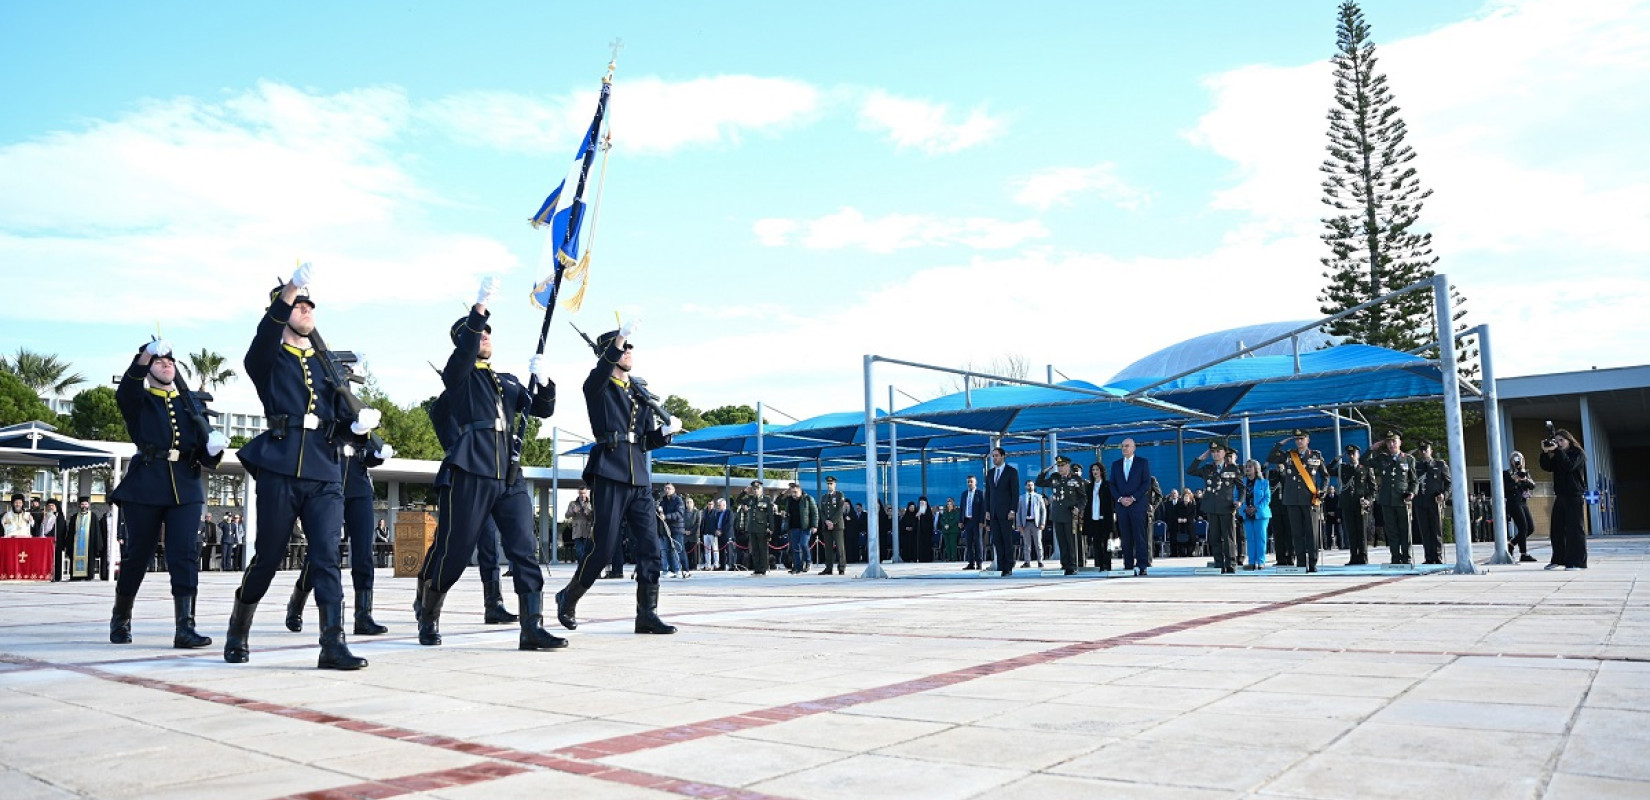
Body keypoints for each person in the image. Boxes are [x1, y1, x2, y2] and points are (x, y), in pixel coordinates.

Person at [225, 268, 376, 669]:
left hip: (324, 469)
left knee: (327, 557)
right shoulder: (269, 358)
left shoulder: (327, 367)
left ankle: (333, 643)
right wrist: (289, 290)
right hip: (280, 466)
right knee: (268, 557)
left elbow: (338, 420)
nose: (306, 309)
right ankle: (238, 628)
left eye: (310, 305)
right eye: (298, 305)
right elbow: (263, 337)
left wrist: (357, 428)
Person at [415, 277, 562, 651]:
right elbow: (463, 354)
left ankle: (532, 627)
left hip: (508, 474)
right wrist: (479, 308)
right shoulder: (459, 377)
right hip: (472, 470)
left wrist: (545, 381)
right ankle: (428, 614)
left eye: (487, 333)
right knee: (454, 552)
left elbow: (541, 409)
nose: (484, 337)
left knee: (524, 550)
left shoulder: (507, 381)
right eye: (477, 333)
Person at [554, 323, 683, 635]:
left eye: (629, 347)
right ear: (608, 353)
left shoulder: (639, 393)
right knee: (603, 547)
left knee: (651, 547)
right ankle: (569, 597)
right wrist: (619, 338)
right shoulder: (598, 386)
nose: (628, 351)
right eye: (623, 347)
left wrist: (665, 433)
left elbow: (645, 440)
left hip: (638, 477)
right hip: (609, 472)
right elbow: (601, 371)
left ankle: (647, 614)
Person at [108, 336, 227, 649]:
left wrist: (213, 450)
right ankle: (121, 617)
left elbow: (203, 454)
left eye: (170, 361)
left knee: (185, 554)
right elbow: (127, 388)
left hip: (185, 485)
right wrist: (144, 356)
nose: (166, 365)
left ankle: (185, 627)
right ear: (149, 369)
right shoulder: (139, 400)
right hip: (146, 484)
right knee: (138, 555)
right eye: (159, 361)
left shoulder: (190, 405)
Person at [286, 425, 394, 636]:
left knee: (364, 554)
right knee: (322, 553)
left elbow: (366, 456)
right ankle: (296, 604)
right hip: (328, 488)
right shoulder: (326, 418)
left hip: (359, 489)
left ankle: (363, 616)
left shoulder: (359, 422)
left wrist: (378, 455)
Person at [1267, 430, 1328, 572]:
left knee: (1312, 533)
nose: (1299, 441)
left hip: (1309, 499)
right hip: (1292, 500)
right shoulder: (1289, 455)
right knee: (1297, 533)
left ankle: (1312, 563)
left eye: (1302, 438)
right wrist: (1280, 444)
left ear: (1308, 440)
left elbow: (1325, 476)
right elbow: (1271, 457)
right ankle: (1300, 563)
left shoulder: (1315, 456)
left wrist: (1323, 490)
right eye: (1297, 439)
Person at [1187, 441, 1243, 573]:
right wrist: (1201, 458)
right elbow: (1190, 471)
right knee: (1215, 537)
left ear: (1224, 453)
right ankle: (1219, 563)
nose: (1215, 454)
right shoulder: (1207, 468)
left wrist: (1239, 501)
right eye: (1213, 452)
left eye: (1218, 451)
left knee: (1228, 537)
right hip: (1211, 507)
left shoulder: (1233, 468)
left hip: (1226, 507)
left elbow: (1242, 488)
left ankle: (1231, 563)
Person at [1540, 428, 1588, 570]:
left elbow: (1569, 466)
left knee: (1575, 530)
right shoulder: (1558, 455)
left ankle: (1577, 562)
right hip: (1560, 496)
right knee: (1557, 529)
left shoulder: (1578, 453)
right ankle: (1558, 559)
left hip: (1574, 495)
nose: (1559, 443)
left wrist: (1557, 451)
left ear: (1569, 441)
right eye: (1556, 441)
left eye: (1561, 440)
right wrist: (1544, 452)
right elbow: (1547, 467)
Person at [1368, 431, 1417, 565]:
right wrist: (1372, 449)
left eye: (1394, 441)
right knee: (1391, 531)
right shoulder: (1382, 458)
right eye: (1389, 442)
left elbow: (1414, 481)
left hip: (1402, 499)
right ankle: (1395, 557)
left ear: (1400, 443)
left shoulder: (1408, 459)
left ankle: (1406, 557)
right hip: (1387, 500)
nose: (1391, 444)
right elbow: (1363, 462)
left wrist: (1412, 493)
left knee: (1405, 530)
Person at [1108, 438, 1152, 576]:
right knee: (1125, 537)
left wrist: (1133, 498)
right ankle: (1127, 564)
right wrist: (1120, 499)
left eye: (1127, 446)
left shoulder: (1142, 463)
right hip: (1122, 506)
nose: (1124, 448)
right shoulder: (1116, 465)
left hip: (1137, 505)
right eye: (1122, 446)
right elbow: (1112, 484)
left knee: (1140, 536)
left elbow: (1146, 483)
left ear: (1134, 447)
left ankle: (1142, 565)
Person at [1036, 458, 1085, 575]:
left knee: (1070, 541)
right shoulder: (1055, 477)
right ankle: (1065, 564)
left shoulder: (1076, 479)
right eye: (1058, 466)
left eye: (1062, 465)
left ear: (1068, 466)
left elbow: (1083, 497)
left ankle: (1072, 565)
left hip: (1070, 514)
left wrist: (1078, 508)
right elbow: (1039, 483)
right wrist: (1044, 472)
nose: (1060, 468)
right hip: (1057, 514)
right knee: (1061, 541)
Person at [1330, 444, 1377, 566]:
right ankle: (1353, 557)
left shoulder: (1366, 468)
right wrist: (1336, 459)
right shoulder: (1343, 468)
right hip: (1347, 503)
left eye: (1353, 453)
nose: (1351, 456)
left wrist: (1368, 500)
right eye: (1349, 454)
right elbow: (1328, 470)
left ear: (1358, 454)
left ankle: (1363, 556)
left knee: (1362, 531)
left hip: (1361, 504)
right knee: (1351, 532)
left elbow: (1373, 488)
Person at [1412, 441, 1452, 565]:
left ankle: (1437, 556)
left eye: (1426, 450)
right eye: (1421, 450)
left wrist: (1444, 495)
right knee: (1425, 530)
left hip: (1434, 501)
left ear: (1431, 451)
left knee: (1436, 530)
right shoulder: (1416, 466)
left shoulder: (1439, 465)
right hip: (1420, 501)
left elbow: (1449, 483)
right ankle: (1428, 557)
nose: (1423, 452)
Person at [982, 448, 1020, 575]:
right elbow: (988, 493)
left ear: (1003, 456)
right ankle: (1000, 564)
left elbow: (1015, 493)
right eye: (993, 456)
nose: (994, 458)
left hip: (1006, 512)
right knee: (997, 540)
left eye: (996, 456)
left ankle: (1008, 566)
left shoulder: (1011, 472)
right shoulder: (990, 473)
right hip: (993, 512)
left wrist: (1013, 510)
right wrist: (987, 510)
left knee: (1006, 539)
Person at [734, 481, 775, 575]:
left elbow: (770, 515)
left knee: (762, 549)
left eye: (757, 489)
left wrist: (771, 528)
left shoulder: (766, 499)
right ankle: (757, 568)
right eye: (754, 489)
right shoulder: (750, 499)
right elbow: (738, 500)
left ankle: (763, 568)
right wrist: (744, 492)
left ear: (761, 489)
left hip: (762, 528)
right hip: (752, 527)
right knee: (755, 549)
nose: (756, 491)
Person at [1503, 452, 1538, 562]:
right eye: (1515, 459)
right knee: (1523, 527)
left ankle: (1511, 544)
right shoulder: (1507, 473)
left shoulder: (1525, 473)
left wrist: (1525, 479)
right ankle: (1524, 553)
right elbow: (1505, 489)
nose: (1518, 461)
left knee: (1530, 528)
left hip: (1523, 502)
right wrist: (1514, 480)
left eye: (1520, 459)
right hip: (1513, 502)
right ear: (1511, 461)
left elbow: (1532, 486)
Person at [63, 497, 108, 581]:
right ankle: (76, 576)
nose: (84, 506)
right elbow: (71, 532)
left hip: (89, 544)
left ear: (88, 505)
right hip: (76, 545)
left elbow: (97, 532)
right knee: (74, 558)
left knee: (89, 559)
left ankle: (88, 575)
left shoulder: (93, 517)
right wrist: (68, 544)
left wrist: (97, 545)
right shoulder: (74, 517)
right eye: (82, 504)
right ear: (79, 505)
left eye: (85, 504)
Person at [1240, 460, 1272, 569]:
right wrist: (1244, 508)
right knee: (1250, 538)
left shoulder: (1264, 482)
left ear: (1256, 469)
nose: (1247, 469)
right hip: (1246, 513)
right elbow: (1237, 496)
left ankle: (1261, 561)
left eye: (1250, 467)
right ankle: (1252, 562)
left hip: (1261, 514)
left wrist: (1256, 508)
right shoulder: (1241, 482)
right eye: (1246, 467)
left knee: (1261, 538)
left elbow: (1267, 498)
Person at [782, 483, 818, 575]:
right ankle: (797, 567)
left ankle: (808, 561)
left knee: (803, 544)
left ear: (800, 491)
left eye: (795, 492)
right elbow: (778, 501)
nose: (794, 494)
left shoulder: (808, 499)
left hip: (805, 526)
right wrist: (784, 493)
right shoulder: (789, 499)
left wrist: (814, 525)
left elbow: (814, 513)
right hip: (793, 526)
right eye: (792, 492)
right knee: (795, 547)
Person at [1083, 461, 1113, 571]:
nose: (1095, 472)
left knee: (1106, 542)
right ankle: (1098, 564)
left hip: (1105, 518)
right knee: (1096, 542)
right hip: (1093, 517)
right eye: (1093, 470)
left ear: (1101, 471)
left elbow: (1111, 502)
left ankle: (1106, 564)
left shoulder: (1107, 485)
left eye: (1097, 470)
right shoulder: (1089, 486)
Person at [817, 477, 850, 575]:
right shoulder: (824, 497)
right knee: (828, 548)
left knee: (840, 547)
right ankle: (828, 567)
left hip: (837, 525)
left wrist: (832, 522)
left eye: (831, 484)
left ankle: (841, 567)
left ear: (835, 484)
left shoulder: (839, 495)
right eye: (828, 484)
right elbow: (821, 511)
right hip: (827, 525)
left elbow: (840, 510)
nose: (829, 486)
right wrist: (826, 521)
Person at [1016, 480, 1046, 570]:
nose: (1030, 487)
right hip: (1026, 523)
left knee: (1038, 543)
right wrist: (1019, 524)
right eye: (1028, 485)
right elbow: (1018, 512)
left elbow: (1043, 510)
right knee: (1026, 544)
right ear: (1025, 487)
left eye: (1032, 485)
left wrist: (1042, 522)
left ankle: (1040, 561)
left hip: (1036, 523)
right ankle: (1027, 561)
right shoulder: (1021, 498)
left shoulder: (1038, 497)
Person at [659, 484, 687, 578]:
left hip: (677, 528)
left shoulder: (678, 500)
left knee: (676, 549)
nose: (667, 490)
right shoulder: (663, 501)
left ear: (673, 489)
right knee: (666, 550)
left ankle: (679, 569)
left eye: (669, 488)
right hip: (666, 528)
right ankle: (670, 570)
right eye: (665, 488)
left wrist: (666, 516)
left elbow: (679, 513)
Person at [959, 475, 986, 569]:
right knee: (969, 543)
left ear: (975, 482)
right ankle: (971, 563)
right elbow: (962, 508)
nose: (970, 483)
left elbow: (983, 508)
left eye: (971, 481)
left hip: (977, 522)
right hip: (967, 521)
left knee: (978, 543)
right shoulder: (964, 494)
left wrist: (982, 521)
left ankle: (979, 563)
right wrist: (961, 521)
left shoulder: (980, 494)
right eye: (968, 482)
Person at [565, 486, 595, 566]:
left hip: (587, 530)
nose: (582, 495)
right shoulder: (573, 504)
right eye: (581, 493)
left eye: (584, 493)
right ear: (578, 493)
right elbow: (566, 515)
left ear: (586, 493)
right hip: (577, 531)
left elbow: (594, 518)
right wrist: (573, 512)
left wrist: (589, 514)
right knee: (579, 551)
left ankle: (585, 566)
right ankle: (581, 566)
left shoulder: (590, 503)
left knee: (586, 551)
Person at [701, 496, 729, 570]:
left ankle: (716, 564)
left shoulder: (716, 512)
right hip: (706, 533)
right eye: (709, 504)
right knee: (707, 550)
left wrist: (717, 531)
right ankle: (708, 565)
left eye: (711, 504)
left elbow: (718, 522)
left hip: (713, 533)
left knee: (715, 550)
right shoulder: (704, 512)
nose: (710, 506)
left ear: (713, 505)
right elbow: (703, 522)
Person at [682, 496, 702, 577]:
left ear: (693, 503)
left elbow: (698, 523)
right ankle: (688, 566)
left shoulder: (697, 512)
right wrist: (685, 531)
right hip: (685, 535)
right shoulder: (683, 512)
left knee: (694, 552)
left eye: (690, 502)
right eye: (687, 502)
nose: (689, 504)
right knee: (686, 551)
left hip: (694, 535)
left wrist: (691, 531)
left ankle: (694, 566)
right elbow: (681, 522)